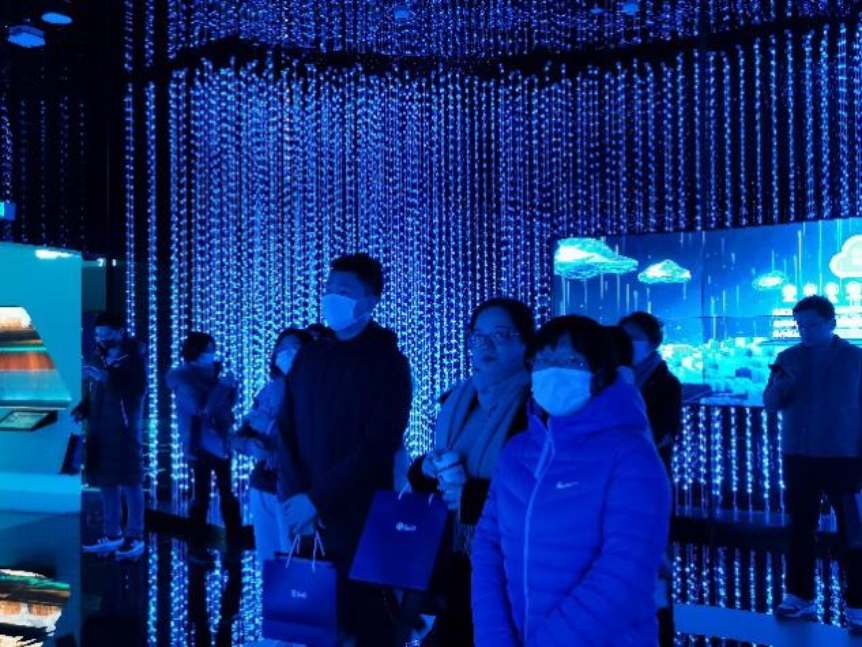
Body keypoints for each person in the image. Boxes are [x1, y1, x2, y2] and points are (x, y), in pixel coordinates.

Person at [472, 315, 671, 646]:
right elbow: (487, 545)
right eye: (543, 362)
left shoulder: (630, 454)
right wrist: (493, 637)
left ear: (599, 372)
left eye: (571, 361)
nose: (553, 371)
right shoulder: (518, 451)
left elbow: (625, 569)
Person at [276, 253, 412, 646]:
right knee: (312, 628)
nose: (331, 296)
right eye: (329, 288)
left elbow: (377, 446)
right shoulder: (310, 355)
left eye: (344, 290)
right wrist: (295, 498)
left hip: (361, 519)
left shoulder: (389, 363)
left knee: (367, 626)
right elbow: (286, 429)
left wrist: (315, 500)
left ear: (370, 301)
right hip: (305, 516)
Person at [407, 297, 534, 647]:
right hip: (453, 559)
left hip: (505, 562)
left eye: (501, 335)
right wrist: (426, 468)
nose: (486, 345)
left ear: (526, 342)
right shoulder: (459, 398)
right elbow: (430, 475)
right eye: (478, 336)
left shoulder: (535, 406)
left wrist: (471, 496)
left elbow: (535, 490)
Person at [764, 295, 862, 631]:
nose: (805, 331)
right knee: (799, 528)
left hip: (846, 458)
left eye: (811, 325)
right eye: (800, 326)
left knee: (854, 533)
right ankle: (799, 596)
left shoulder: (856, 359)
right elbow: (770, 404)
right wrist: (779, 388)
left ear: (832, 323)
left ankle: (858, 603)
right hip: (799, 456)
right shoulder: (787, 358)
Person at [619, 312, 682, 646]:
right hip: (620, 487)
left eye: (634, 337)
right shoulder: (615, 379)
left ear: (652, 342)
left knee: (653, 567)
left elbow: (661, 433)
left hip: (649, 487)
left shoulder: (664, 383)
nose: (627, 343)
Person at [232, 327, 312, 563]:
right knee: (269, 563)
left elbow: (311, 439)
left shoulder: (316, 394)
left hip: (296, 488)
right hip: (263, 485)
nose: (287, 353)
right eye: (282, 348)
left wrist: (270, 429)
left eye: (294, 348)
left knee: (295, 562)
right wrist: (251, 446)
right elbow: (238, 436)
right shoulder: (269, 390)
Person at [78, 312, 147, 559]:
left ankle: (135, 535)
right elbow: (98, 391)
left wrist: (104, 376)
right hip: (101, 429)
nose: (101, 338)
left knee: (130, 481)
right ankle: (112, 533)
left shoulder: (133, 357)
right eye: (98, 334)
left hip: (124, 430)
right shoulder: (100, 356)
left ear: (119, 332)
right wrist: (84, 408)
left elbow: (135, 389)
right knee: (107, 482)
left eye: (105, 334)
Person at [166, 333, 240, 550]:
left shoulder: (215, 373)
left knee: (227, 492)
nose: (211, 352)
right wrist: (222, 387)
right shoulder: (183, 377)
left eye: (212, 348)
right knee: (201, 495)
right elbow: (200, 409)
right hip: (199, 442)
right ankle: (197, 546)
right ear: (195, 350)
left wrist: (231, 389)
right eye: (207, 348)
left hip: (221, 440)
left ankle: (233, 541)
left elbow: (227, 406)